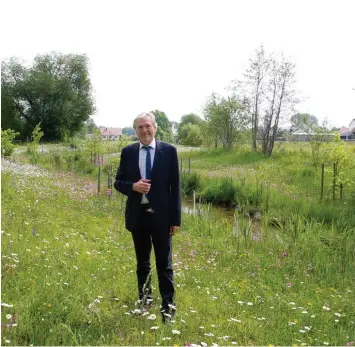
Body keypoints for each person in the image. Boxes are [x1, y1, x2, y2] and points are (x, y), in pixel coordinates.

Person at [114, 112, 181, 323]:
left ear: (155, 128)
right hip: (138, 216)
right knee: (142, 263)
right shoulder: (128, 152)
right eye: (140, 127)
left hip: (161, 218)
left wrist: (175, 220)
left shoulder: (169, 151)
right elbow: (118, 182)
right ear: (135, 130)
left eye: (148, 126)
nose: (144, 130)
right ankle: (145, 302)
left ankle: (168, 309)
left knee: (164, 264)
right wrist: (132, 187)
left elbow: (175, 187)